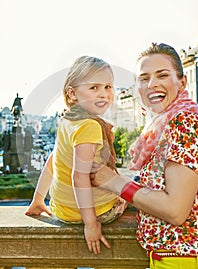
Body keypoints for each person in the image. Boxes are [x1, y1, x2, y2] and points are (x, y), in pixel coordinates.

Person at [91, 43, 198, 268]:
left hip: (187, 261)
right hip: (177, 260)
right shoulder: (164, 126)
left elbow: (175, 211)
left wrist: (115, 182)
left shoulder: (183, 124)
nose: (152, 84)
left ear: (182, 82)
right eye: (144, 78)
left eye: (162, 75)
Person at [25, 56, 127, 255]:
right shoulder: (89, 126)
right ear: (72, 94)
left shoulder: (67, 120)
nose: (104, 94)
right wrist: (91, 224)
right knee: (134, 191)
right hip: (96, 212)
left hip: (61, 209)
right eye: (94, 88)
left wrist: (38, 199)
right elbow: (79, 177)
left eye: (108, 87)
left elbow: (54, 160)